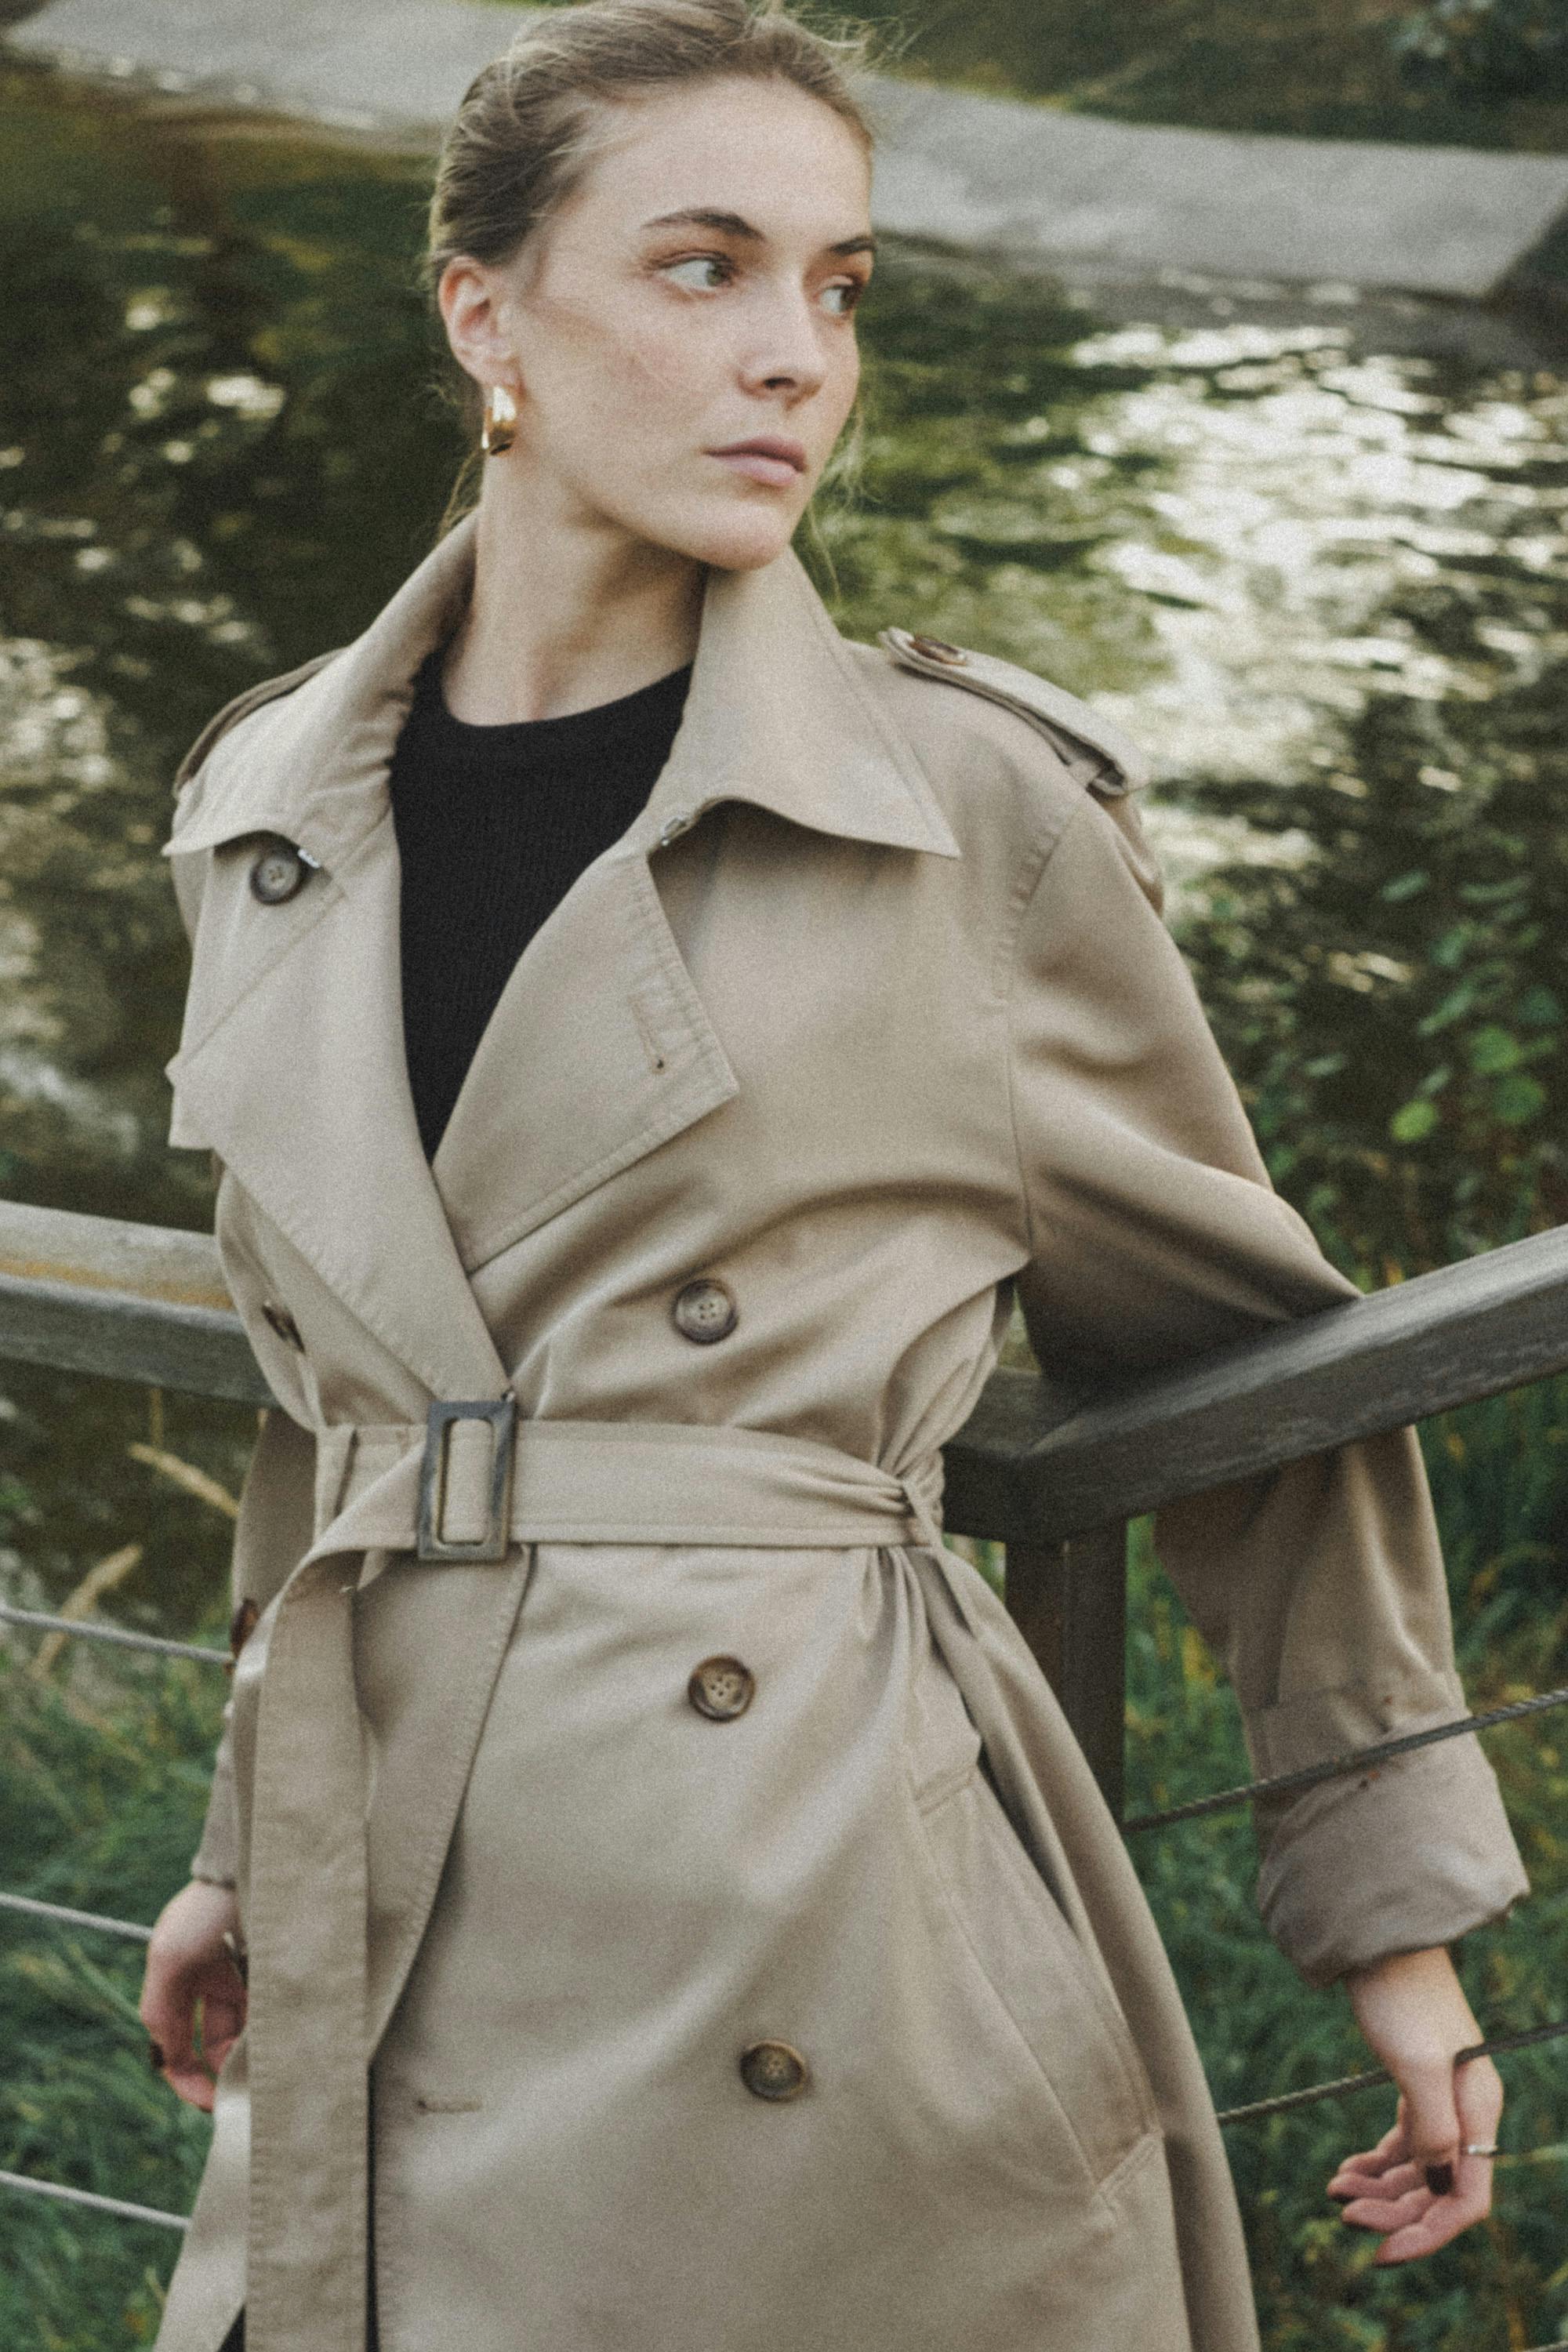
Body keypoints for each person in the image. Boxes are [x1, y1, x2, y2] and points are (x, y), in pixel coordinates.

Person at [136, 4, 1528, 2348]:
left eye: (841, 285)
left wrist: (1391, 1922)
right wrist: (239, 1852)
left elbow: (1254, 1361)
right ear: (488, 315)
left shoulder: (959, 812)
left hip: (809, 1919)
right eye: (705, 268)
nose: (796, 356)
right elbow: (339, 1398)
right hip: (392, 1876)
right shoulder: (265, 804)